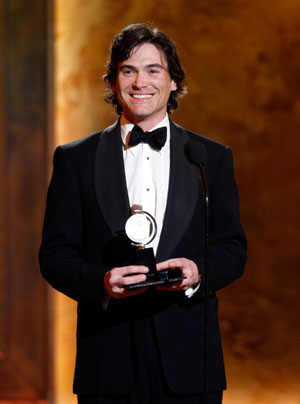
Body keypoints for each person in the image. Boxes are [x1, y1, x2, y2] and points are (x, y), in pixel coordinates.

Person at [39, 23, 247, 404]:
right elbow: (54, 256)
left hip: (190, 364)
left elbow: (232, 248)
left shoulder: (211, 158)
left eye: (154, 70)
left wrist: (198, 271)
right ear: (114, 82)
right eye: (128, 70)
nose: (140, 82)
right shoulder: (75, 160)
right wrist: (100, 281)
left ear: (173, 82)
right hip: (107, 360)